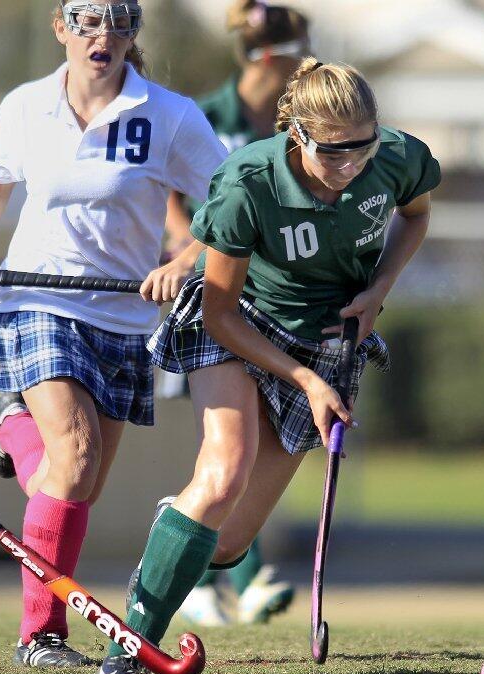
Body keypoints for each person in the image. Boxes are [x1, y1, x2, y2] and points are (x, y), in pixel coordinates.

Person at [97, 59, 440, 674]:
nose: (350, 166)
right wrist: (307, 383)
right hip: (242, 322)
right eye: (332, 152)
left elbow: (415, 215)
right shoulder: (245, 183)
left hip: (326, 341)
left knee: (226, 544)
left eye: (362, 146)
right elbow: (222, 315)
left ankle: (183, 527)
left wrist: (379, 289)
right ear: (296, 134)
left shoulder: (396, 159)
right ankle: (132, 647)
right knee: (224, 468)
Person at [0, 0, 227, 670]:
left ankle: (14, 427)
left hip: (122, 319)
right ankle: (40, 635)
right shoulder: (23, 106)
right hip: (36, 300)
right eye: (87, 21)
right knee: (76, 456)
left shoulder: (171, 116)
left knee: (75, 481)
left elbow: (228, 200)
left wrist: (184, 261)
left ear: (133, 34)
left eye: (119, 22)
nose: (104, 36)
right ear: (60, 29)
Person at [159, 0, 311, 629]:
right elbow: (169, 188)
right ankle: (231, 576)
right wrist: (184, 248)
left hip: (270, 293)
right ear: (276, 55)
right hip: (208, 289)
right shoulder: (207, 115)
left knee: (236, 452)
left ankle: (221, 570)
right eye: (304, 48)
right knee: (226, 450)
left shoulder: (294, 123)